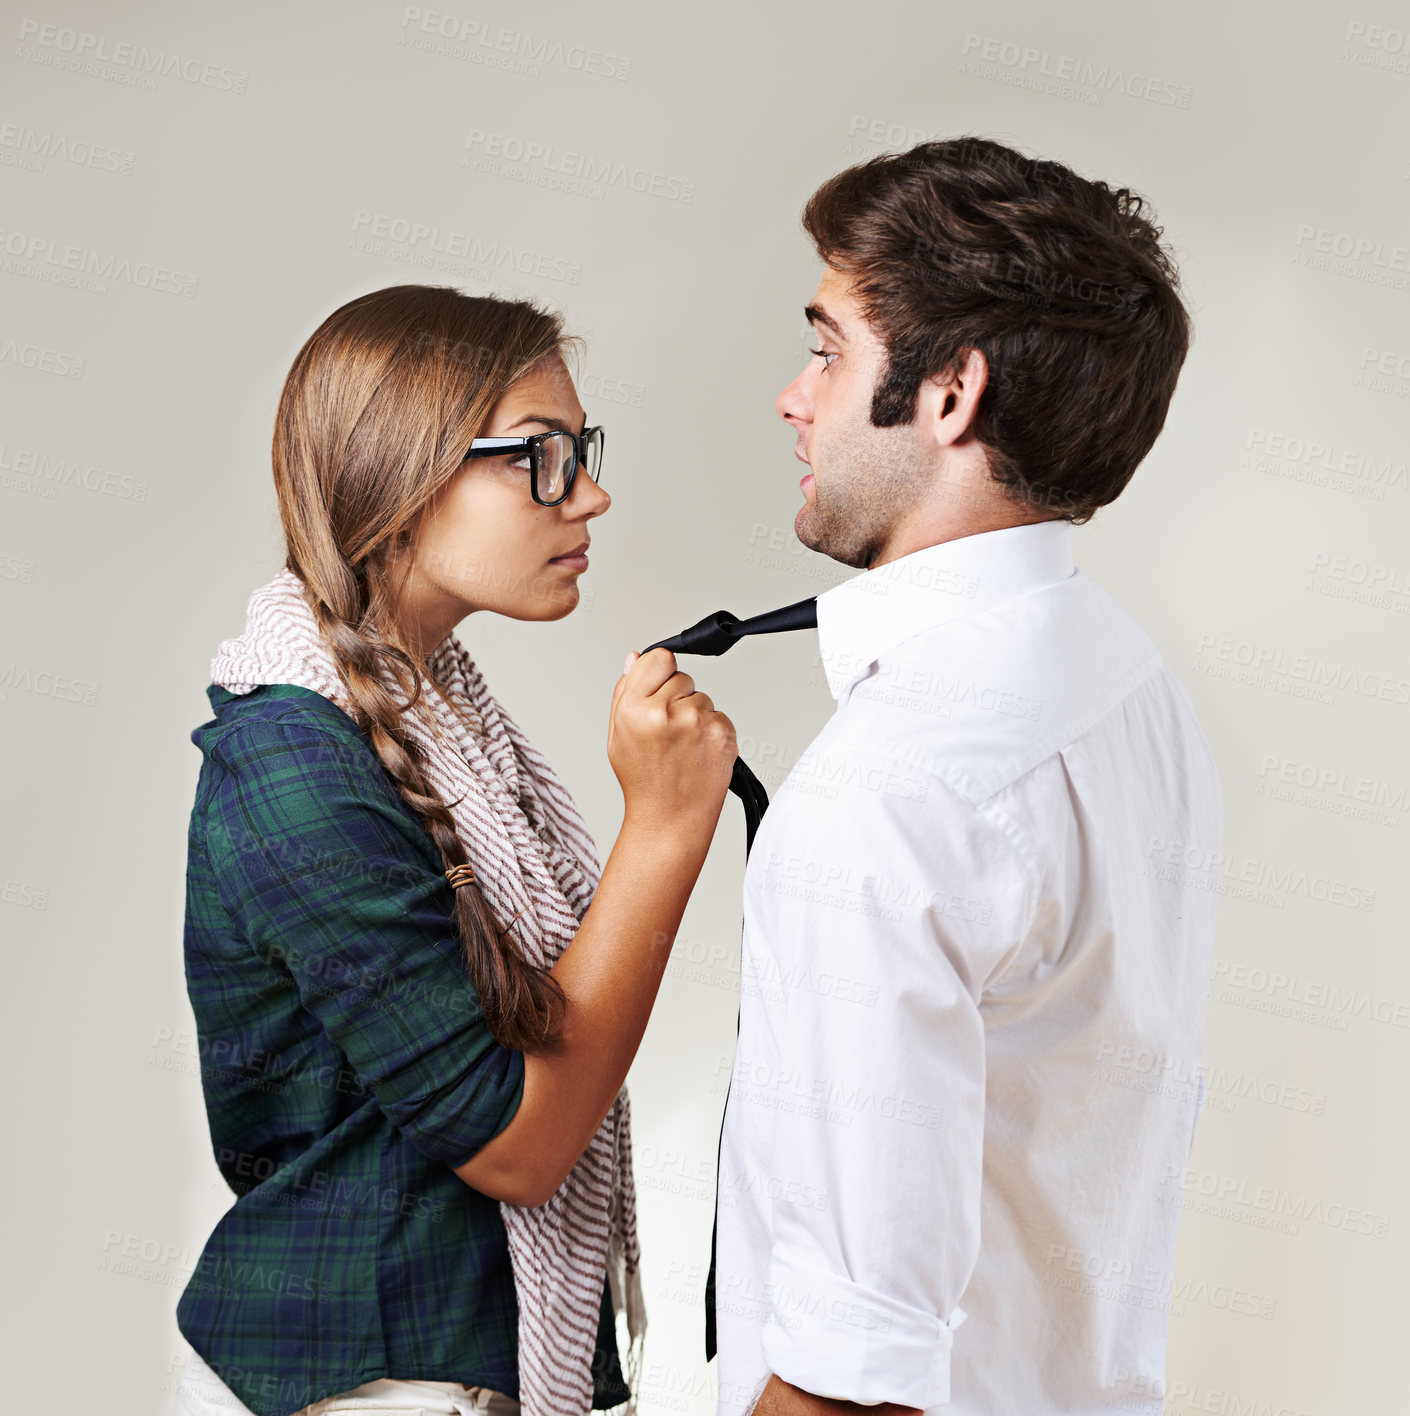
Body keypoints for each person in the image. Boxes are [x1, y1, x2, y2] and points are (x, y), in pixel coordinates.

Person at [712, 137, 1223, 1416]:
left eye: (828, 348)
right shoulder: (1130, 690)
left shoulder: (889, 793)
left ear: (951, 393)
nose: (795, 395)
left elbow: (850, 1376)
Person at [173, 284, 737, 1416]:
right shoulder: (295, 761)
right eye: (541, 456)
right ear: (402, 474)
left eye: (583, 451)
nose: (591, 492)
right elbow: (520, 1147)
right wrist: (667, 830)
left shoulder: (440, 721)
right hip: (371, 1381)